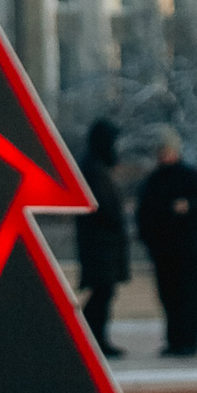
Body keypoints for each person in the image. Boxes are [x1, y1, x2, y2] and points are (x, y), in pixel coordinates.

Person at [134, 126, 197, 358]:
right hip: (164, 250)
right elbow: (145, 213)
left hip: (187, 251)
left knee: (188, 298)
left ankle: (188, 341)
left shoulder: (189, 175)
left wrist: (188, 206)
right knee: (169, 297)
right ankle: (174, 340)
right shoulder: (154, 180)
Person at [72, 119, 130, 357]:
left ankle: (91, 338)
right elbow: (105, 209)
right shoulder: (94, 169)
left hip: (101, 244)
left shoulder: (94, 166)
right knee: (101, 293)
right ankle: (91, 339)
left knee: (102, 292)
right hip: (100, 244)